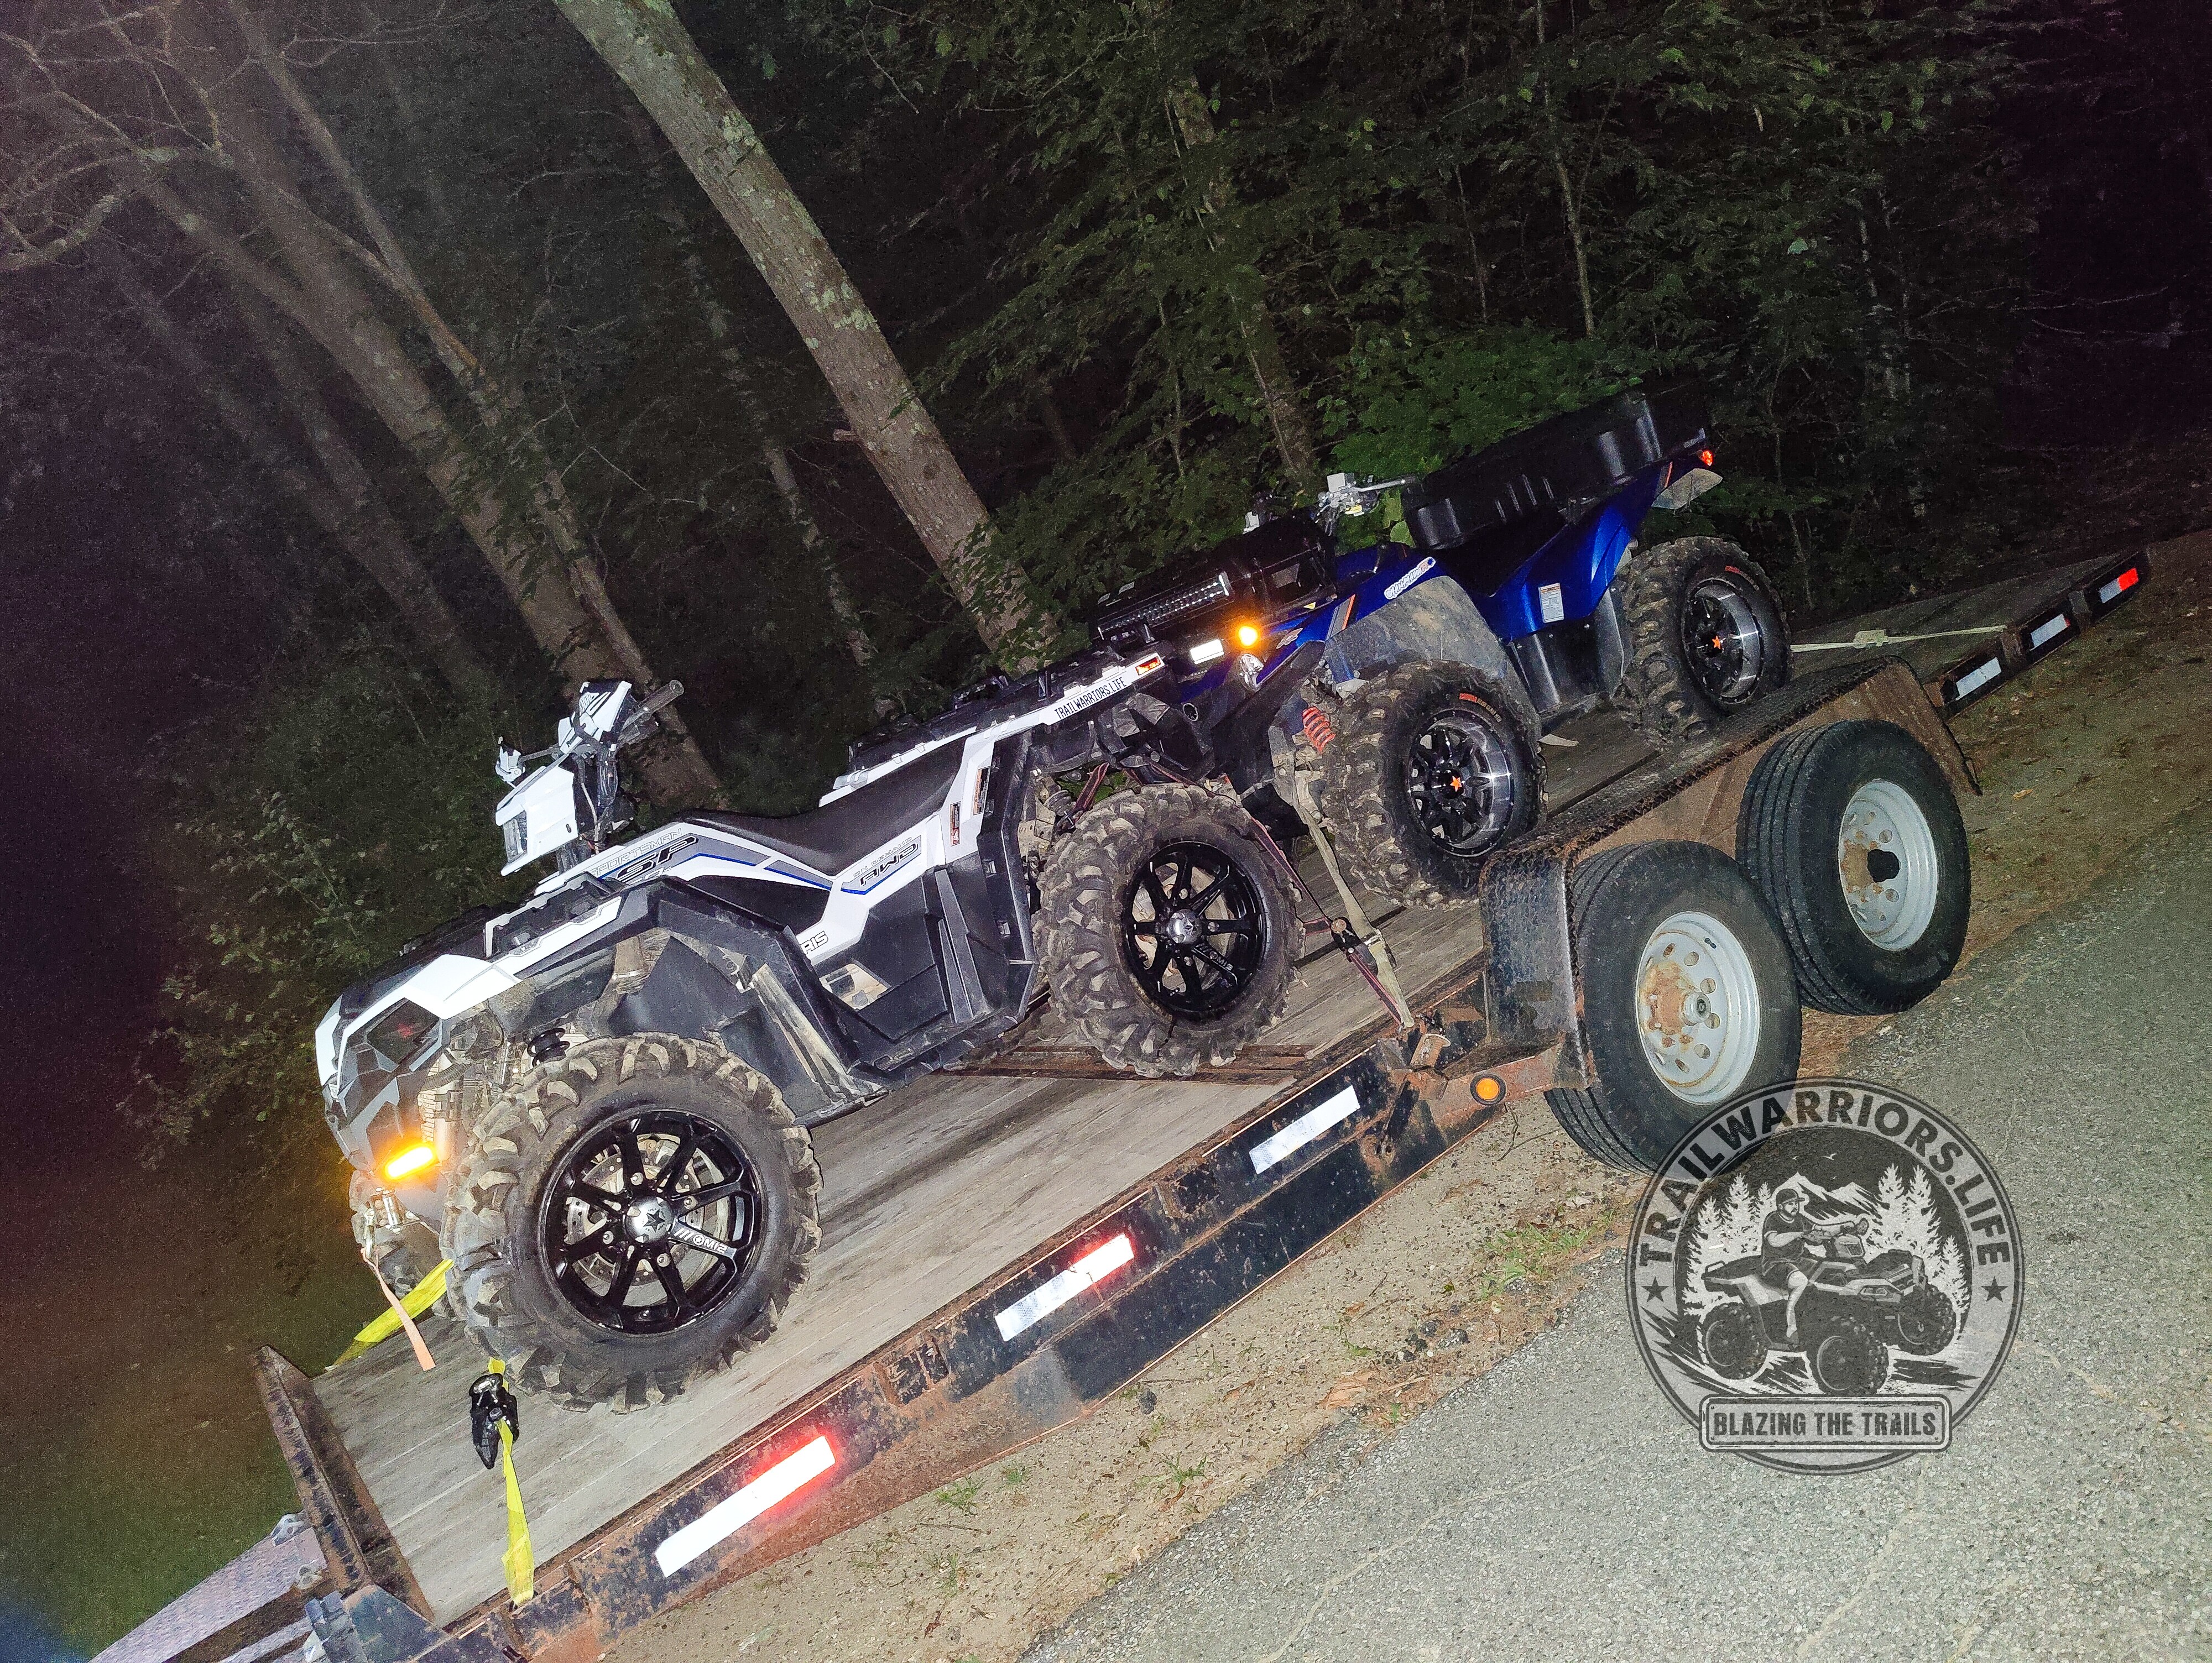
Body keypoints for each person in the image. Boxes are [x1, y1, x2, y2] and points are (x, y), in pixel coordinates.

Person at [1760, 1185, 1839, 1343]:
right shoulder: (1773, 1219)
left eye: (1796, 1203)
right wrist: (1800, 1235)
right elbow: (1774, 1241)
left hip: (1798, 1261)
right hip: (1775, 1264)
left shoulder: (1800, 1219)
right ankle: (1791, 1329)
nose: (1795, 1206)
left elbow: (1820, 1230)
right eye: (1791, 1204)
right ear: (1780, 1206)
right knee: (1800, 1281)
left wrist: (1843, 1228)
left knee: (1825, 1271)